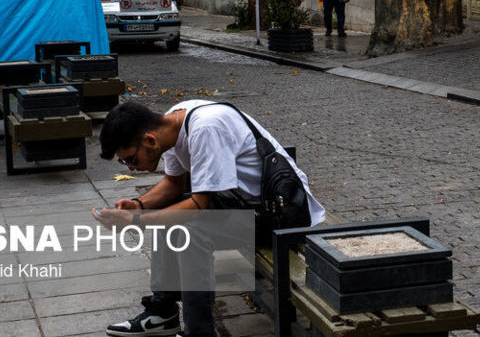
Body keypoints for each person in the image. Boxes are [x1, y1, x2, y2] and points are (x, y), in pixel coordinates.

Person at [95, 100, 325, 337]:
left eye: (131, 159)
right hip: (244, 204)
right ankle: (163, 313)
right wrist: (139, 206)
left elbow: (199, 205)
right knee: (169, 214)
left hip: (280, 215)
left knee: (189, 231)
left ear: (150, 140)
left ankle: (200, 332)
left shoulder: (206, 128)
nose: (132, 168)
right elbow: (174, 183)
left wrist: (136, 221)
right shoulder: (172, 124)